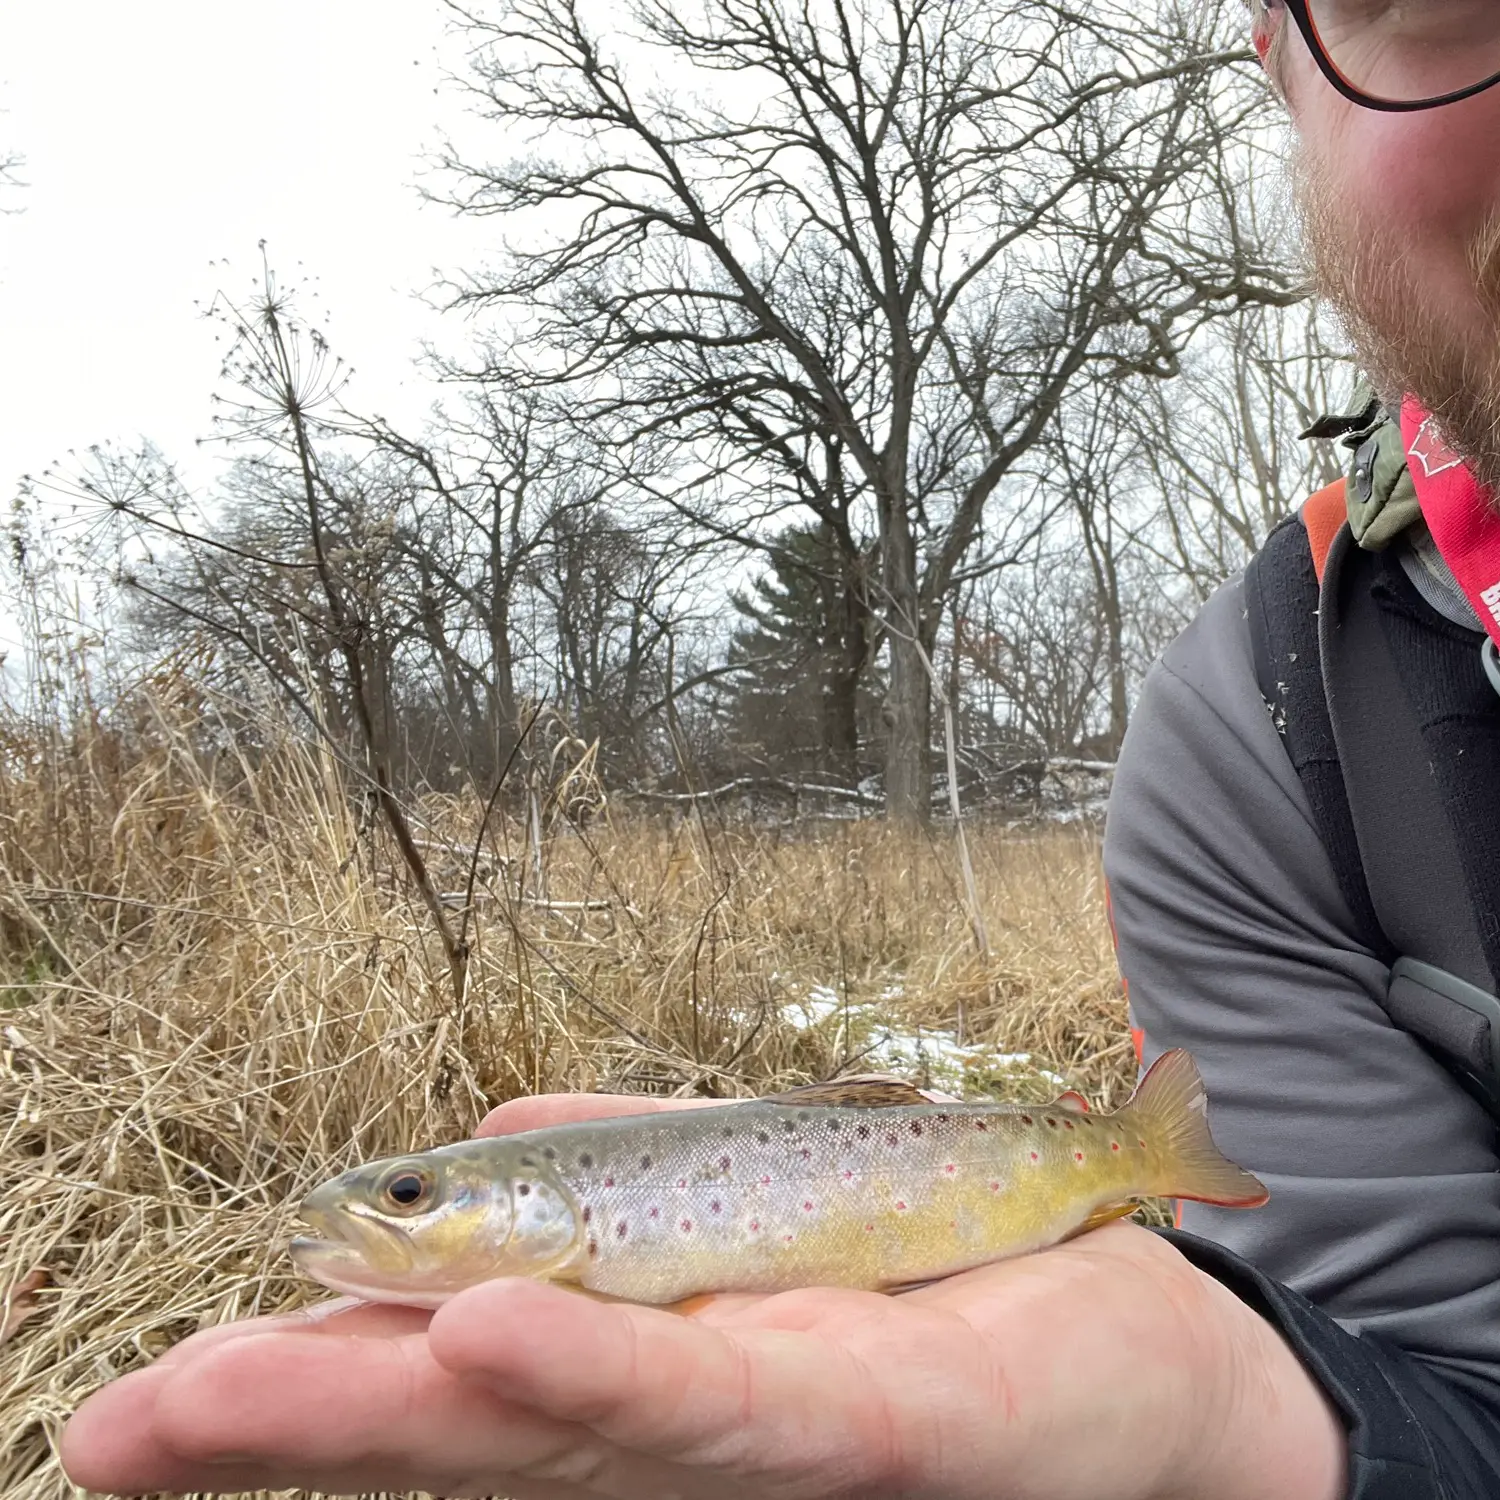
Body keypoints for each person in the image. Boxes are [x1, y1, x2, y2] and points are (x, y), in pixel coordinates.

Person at [59, 4, 1500, 1497]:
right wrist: (1258, 1426)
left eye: (417, 1198)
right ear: (1282, 66)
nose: (403, 1209)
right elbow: (1450, 1386)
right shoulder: (1271, 750)